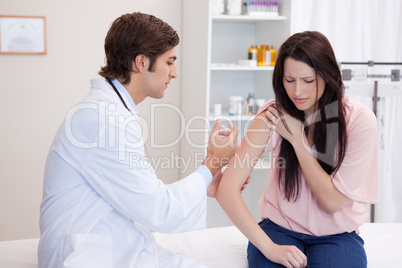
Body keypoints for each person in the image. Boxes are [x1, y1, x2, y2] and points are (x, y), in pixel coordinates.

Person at [38, 12, 244, 268]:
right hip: (86, 256)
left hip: (111, 242)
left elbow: (143, 196)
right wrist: (212, 163)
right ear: (141, 62)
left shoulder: (110, 111)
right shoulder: (105, 120)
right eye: (170, 62)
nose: (174, 73)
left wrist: (205, 181)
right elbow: (158, 210)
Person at [216, 31, 378, 268]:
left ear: (328, 75)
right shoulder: (272, 115)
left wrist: (298, 141)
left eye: (308, 81)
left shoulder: (358, 120)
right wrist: (269, 248)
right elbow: (226, 190)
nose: (297, 92)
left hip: (336, 236)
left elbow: (331, 202)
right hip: (279, 230)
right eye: (289, 80)